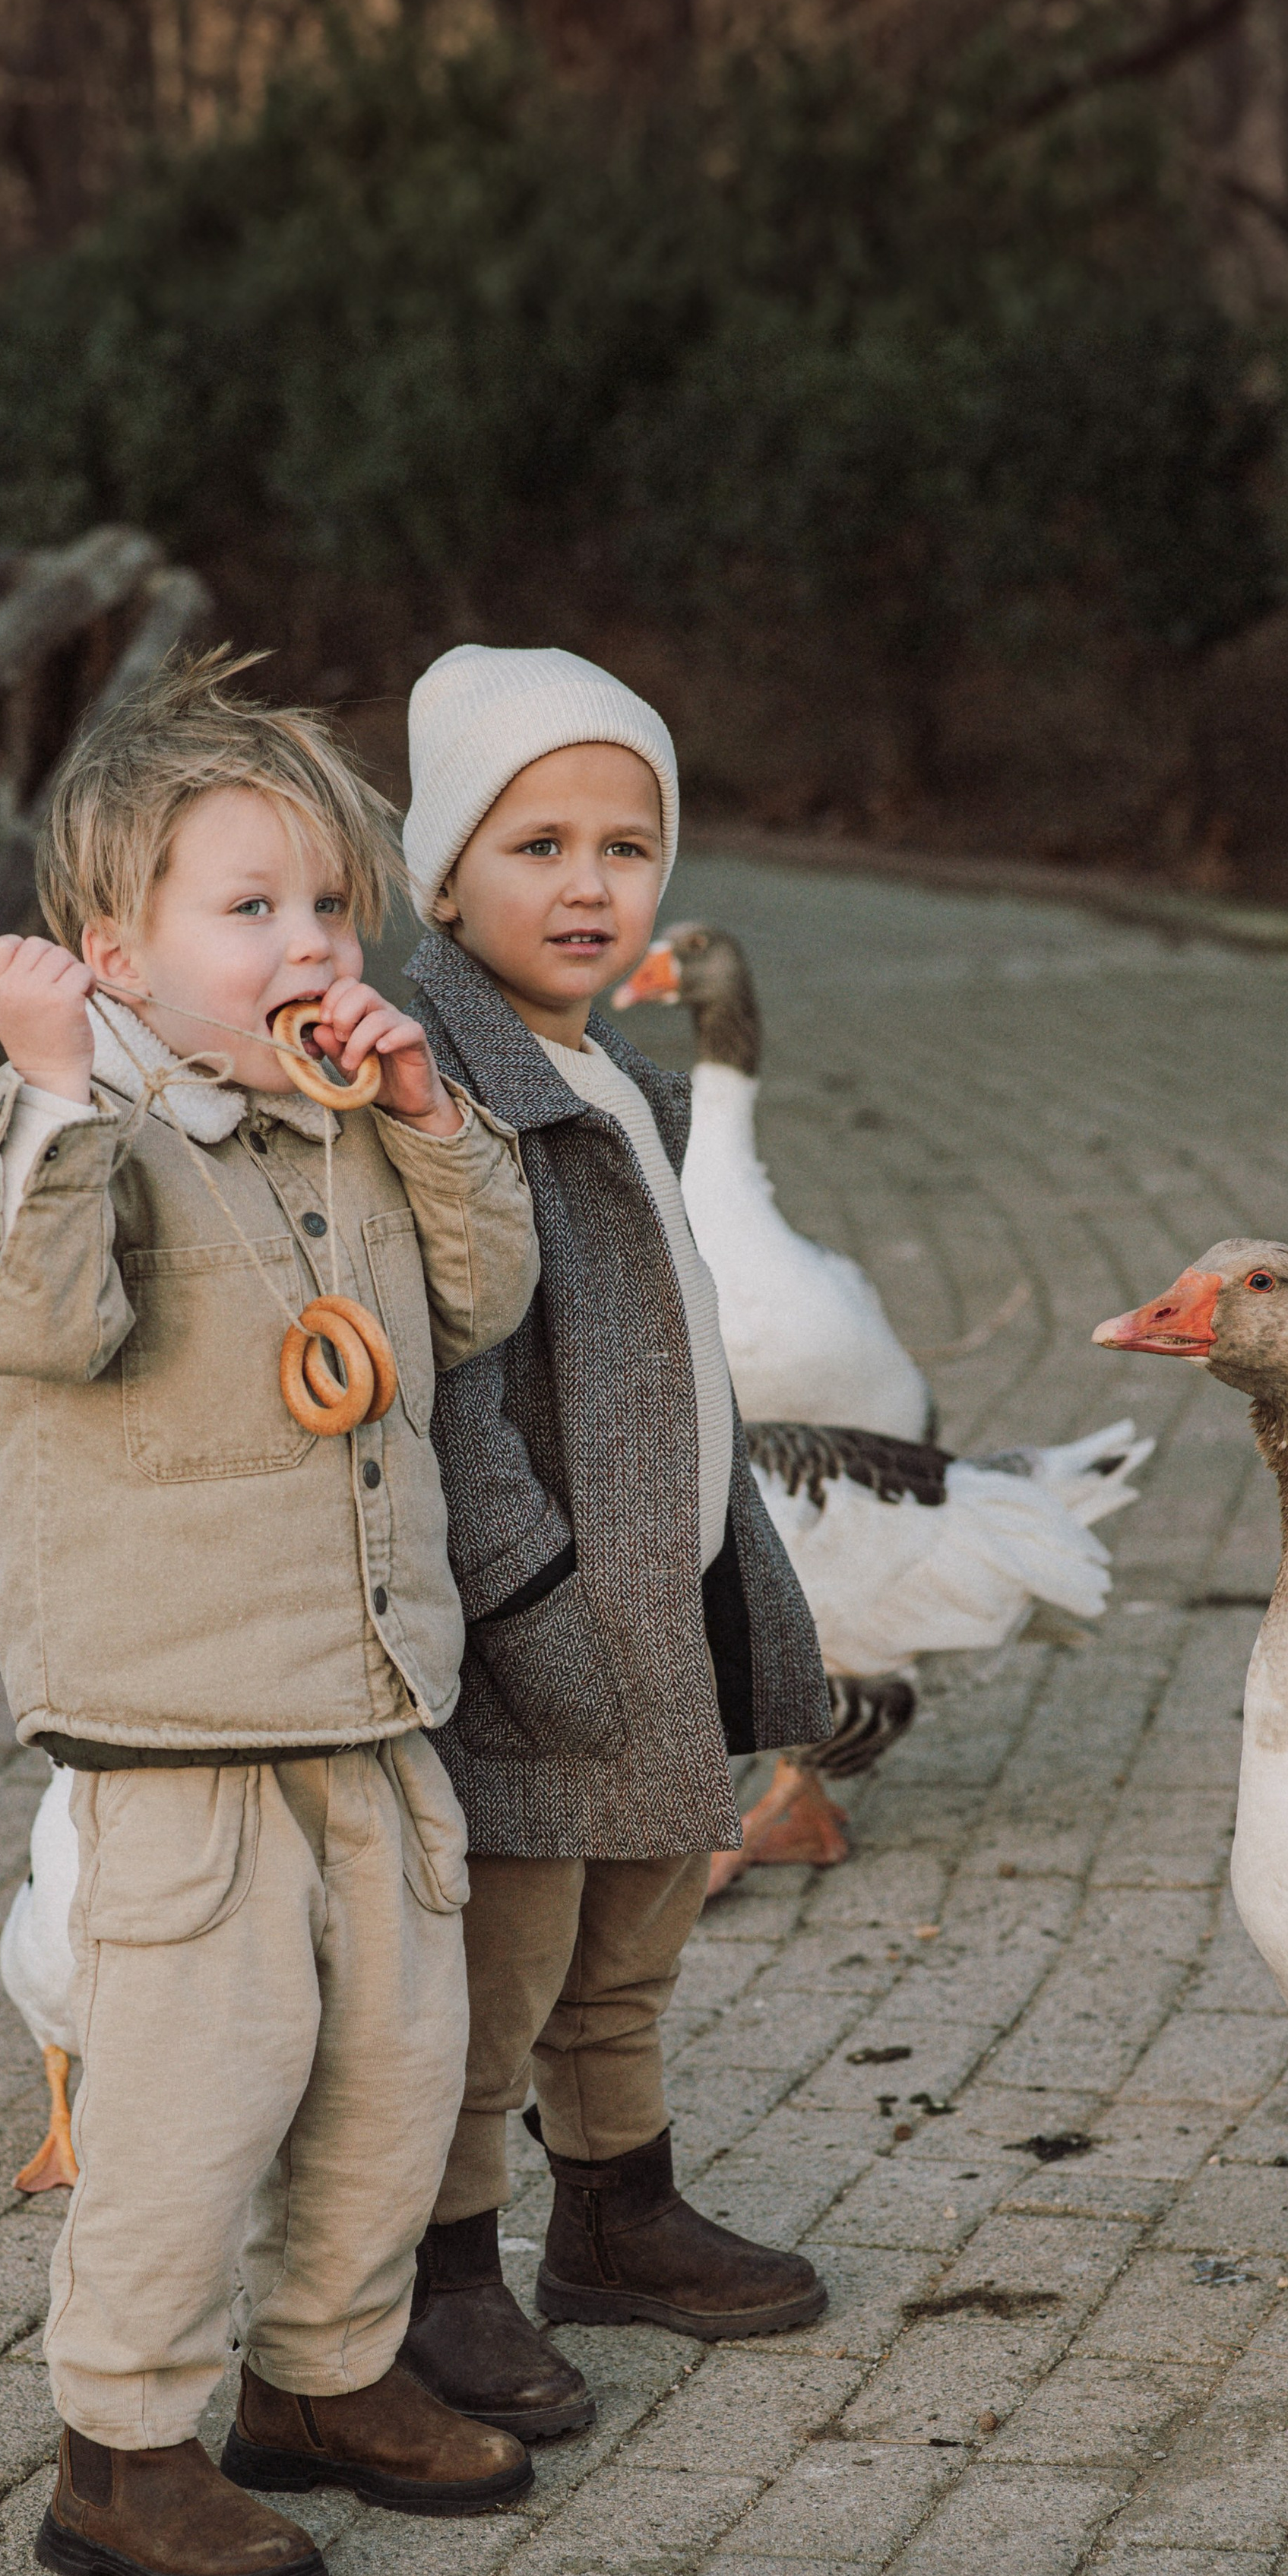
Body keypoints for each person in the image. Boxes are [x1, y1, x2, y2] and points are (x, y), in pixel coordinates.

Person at [0, 653, 543, 2576]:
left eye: (330, 904)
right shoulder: (8, 1136)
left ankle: (326, 2375)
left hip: (365, 1684)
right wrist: (65, 1089)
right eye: (247, 908)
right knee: (199, 2090)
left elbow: (487, 1290)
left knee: (394, 2060)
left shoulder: (345, 1120)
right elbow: (32, 1322)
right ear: (113, 948)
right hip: (179, 1709)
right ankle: (123, 2443)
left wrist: (428, 1108)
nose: (306, 941)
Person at [397, 642, 833, 2442]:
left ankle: (617, 2204)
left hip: (665, 1590)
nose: (588, 885)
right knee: (497, 1971)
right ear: (442, 873)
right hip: (546, 1620)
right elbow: (453, 1392)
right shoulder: (443, 1083)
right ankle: (437, 2271)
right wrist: (538, 1597)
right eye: (537, 844)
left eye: (625, 846)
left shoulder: (610, 1075)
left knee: (634, 1924)